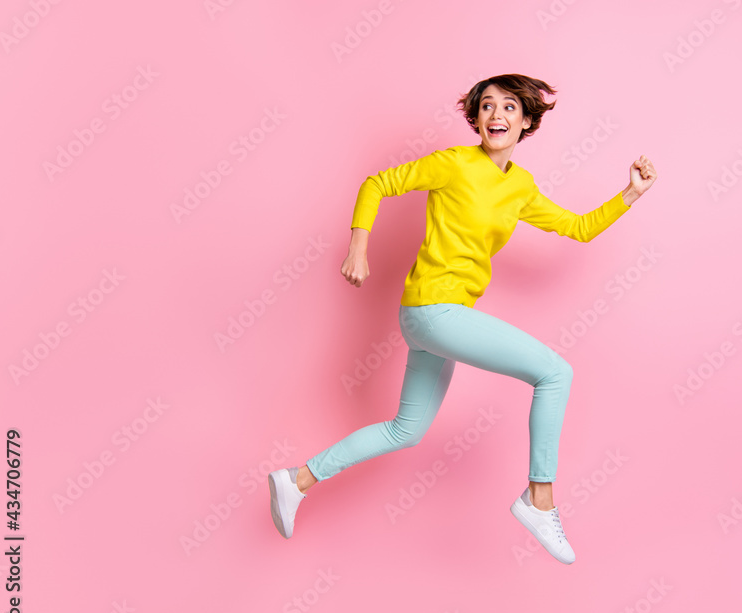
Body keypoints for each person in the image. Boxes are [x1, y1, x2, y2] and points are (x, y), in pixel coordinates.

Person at [269, 73, 655, 564]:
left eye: (510, 107)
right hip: (435, 309)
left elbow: (577, 228)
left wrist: (631, 193)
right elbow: (378, 183)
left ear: (527, 122)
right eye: (487, 106)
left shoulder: (520, 187)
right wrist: (359, 249)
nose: (497, 114)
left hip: (439, 319)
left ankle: (297, 480)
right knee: (555, 372)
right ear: (474, 118)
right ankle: (539, 498)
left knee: (405, 429)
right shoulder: (453, 163)